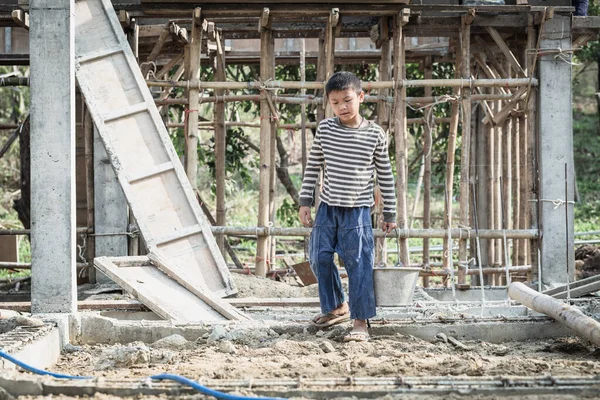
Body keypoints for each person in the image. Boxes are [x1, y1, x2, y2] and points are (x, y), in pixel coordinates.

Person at [298, 71, 397, 342]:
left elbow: (385, 174)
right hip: (328, 207)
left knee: (359, 265)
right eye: (335, 102)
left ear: (361, 97)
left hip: (358, 211)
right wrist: (305, 201)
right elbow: (313, 166)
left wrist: (390, 211)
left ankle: (361, 322)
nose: (342, 106)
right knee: (318, 257)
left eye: (347, 100)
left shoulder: (375, 134)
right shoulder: (326, 130)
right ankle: (336, 306)